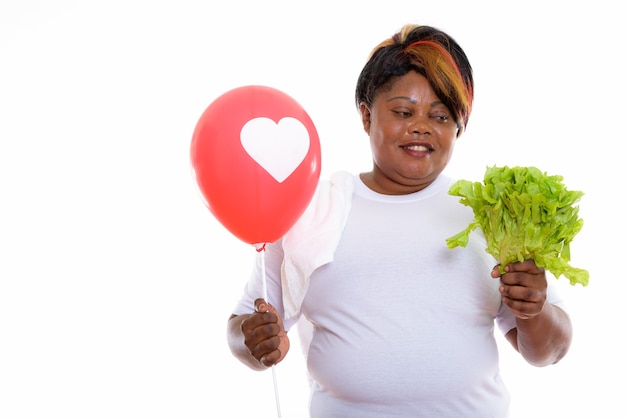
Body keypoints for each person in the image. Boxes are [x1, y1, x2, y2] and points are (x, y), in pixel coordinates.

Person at [226, 23, 573, 417]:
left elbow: (551, 353)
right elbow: (243, 328)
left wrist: (533, 311)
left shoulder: (489, 213)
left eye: (441, 117)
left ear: (458, 128)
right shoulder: (313, 209)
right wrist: (253, 342)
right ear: (366, 116)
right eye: (403, 111)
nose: (421, 126)